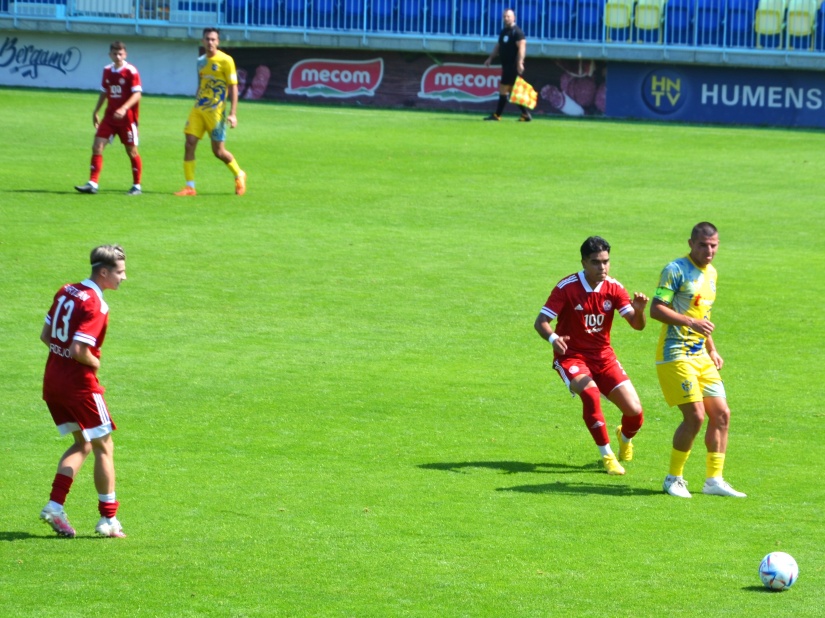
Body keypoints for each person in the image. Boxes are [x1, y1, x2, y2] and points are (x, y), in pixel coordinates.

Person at [534, 236, 649, 475]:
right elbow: (541, 321)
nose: (603, 268)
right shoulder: (567, 287)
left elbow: (637, 325)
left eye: (606, 261)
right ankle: (607, 456)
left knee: (635, 413)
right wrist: (554, 339)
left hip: (603, 357)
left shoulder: (614, 288)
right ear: (584, 262)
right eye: (596, 262)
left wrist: (639, 311)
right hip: (572, 356)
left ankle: (624, 438)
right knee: (590, 393)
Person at [651, 223, 746, 499]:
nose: (709, 251)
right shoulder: (675, 270)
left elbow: (703, 317)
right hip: (675, 352)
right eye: (703, 245)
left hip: (700, 355)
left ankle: (714, 480)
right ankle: (673, 478)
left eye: (714, 245)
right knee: (695, 416)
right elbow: (657, 309)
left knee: (722, 415)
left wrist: (712, 349)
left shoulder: (712, 273)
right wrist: (690, 322)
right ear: (691, 243)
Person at [39, 245, 128, 538]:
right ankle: (108, 520)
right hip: (80, 386)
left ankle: (55, 506)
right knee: (104, 446)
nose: (124, 278)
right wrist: (94, 361)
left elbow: (45, 335)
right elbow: (80, 350)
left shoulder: (66, 290)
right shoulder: (96, 304)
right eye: (120, 272)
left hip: (53, 381)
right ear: (104, 272)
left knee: (83, 444)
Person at [175, 27, 246, 197]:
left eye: (213, 39)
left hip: (217, 112)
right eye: (207, 39)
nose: (210, 42)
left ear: (218, 41)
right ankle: (190, 187)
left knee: (218, 151)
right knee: (189, 143)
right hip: (199, 109)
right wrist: (197, 100)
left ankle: (239, 173)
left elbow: (233, 87)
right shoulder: (200, 61)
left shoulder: (226, 61)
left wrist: (233, 113)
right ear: (202, 41)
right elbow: (201, 84)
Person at [74, 41, 143, 196]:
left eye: (120, 54)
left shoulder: (131, 71)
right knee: (97, 146)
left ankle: (137, 186)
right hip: (110, 117)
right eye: (115, 53)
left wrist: (124, 108)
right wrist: (96, 110)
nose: (118, 56)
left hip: (127, 119)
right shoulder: (107, 70)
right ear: (110, 54)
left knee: (131, 151)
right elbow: (104, 91)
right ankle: (92, 183)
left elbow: (137, 94)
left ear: (125, 54)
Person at [483, 9, 531, 122]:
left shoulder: (517, 32)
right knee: (512, 91)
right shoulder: (504, 31)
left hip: (512, 66)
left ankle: (497, 115)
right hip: (506, 66)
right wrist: (490, 58)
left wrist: (520, 62)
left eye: (508, 16)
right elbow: (499, 46)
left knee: (504, 89)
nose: (506, 18)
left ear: (514, 17)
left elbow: (522, 47)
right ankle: (525, 114)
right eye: (504, 16)